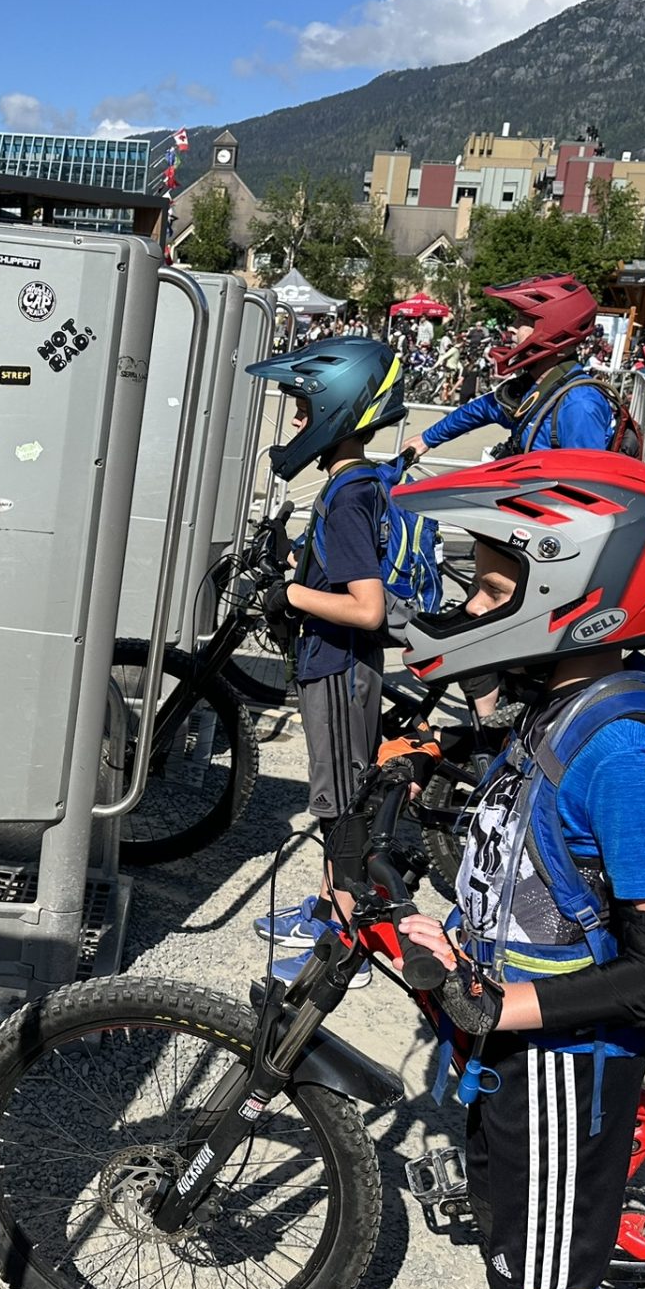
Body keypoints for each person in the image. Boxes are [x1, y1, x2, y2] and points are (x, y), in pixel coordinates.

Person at [370, 452, 645, 1289]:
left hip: (567, 1065)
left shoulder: (623, 757)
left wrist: (499, 1007)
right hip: (520, 1049)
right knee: (510, 1236)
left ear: (574, 591)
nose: (473, 608)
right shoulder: (567, 701)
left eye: (490, 587)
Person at [244, 338, 402, 971]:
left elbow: (367, 607)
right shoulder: (353, 483)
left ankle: (345, 945)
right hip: (335, 666)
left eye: (304, 411)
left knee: (341, 806)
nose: (295, 425)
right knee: (336, 795)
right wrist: (294, 560)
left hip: (339, 671)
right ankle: (323, 907)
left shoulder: (347, 497)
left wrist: (293, 592)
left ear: (339, 411)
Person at [399, 275, 618, 462]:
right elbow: (480, 409)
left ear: (554, 331)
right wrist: (427, 438)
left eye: (521, 320)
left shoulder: (579, 404)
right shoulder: (532, 387)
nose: (511, 328)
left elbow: (585, 491)